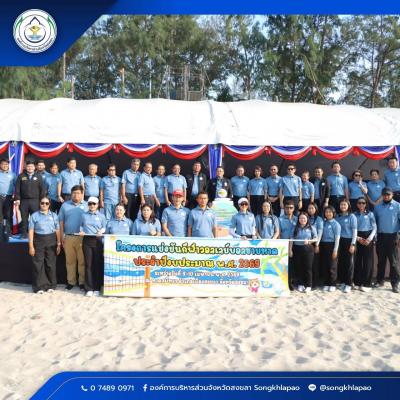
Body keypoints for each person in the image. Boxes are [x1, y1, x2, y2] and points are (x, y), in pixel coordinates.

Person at [28, 196, 61, 294]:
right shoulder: (34, 216)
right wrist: (31, 246)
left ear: (49, 204)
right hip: (38, 241)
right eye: (42, 203)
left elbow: (58, 230)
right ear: (39, 204)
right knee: (38, 264)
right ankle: (39, 287)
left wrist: (59, 243)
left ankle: (51, 285)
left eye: (46, 203)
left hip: (51, 240)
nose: (44, 205)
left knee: (50, 264)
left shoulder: (54, 215)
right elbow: (31, 231)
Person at [58, 185, 88, 290]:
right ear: (71, 194)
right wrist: (61, 237)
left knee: (82, 261)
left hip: (82, 237)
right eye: (74, 193)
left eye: (78, 193)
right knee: (70, 261)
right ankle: (71, 282)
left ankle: (82, 282)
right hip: (68, 237)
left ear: (82, 194)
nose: (76, 195)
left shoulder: (87, 205)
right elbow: (61, 222)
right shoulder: (65, 205)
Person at [373, 187, 400, 293]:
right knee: (381, 261)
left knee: (393, 262)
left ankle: (395, 283)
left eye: (388, 194)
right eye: (384, 194)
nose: (386, 196)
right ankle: (380, 281)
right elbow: (374, 223)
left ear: (392, 195)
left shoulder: (398, 206)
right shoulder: (377, 207)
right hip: (381, 236)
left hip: (393, 237)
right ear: (382, 195)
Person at [79, 197, 106, 297]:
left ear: (97, 205)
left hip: (98, 241)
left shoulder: (102, 216)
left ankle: (97, 288)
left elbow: (104, 227)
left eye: (94, 204)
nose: (92, 205)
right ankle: (89, 288)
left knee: (97, 264)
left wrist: (101, 231)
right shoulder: (84, 215)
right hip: (87, 240)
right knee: (88, 265)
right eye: (90, 204)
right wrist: (81, 231)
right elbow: (81, 226)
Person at [15, 160, 46, 239]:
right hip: (24, 201)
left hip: (35, 201)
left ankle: (35, 234)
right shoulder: (21, 176)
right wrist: (17, 198)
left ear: (34, 167)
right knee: (24, 218)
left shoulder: (38, 176)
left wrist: (42, 200)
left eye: (31, 166)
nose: (30, 168)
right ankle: (24, 233)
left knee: (35, 218)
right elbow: (17, 188)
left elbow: (42, 189)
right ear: (26, 167)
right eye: (28, 166)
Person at [289, 212, 317, 293]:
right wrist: (290, 250)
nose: (302, 220)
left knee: (308, 268)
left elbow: (316, 238)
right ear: (298, 219)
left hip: (308, 249)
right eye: (301, 218)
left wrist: (309, 241)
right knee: (299, 267)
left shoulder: (311, 228)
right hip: (297, 249)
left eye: (304, 218)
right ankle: (300, 284)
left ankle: (309, 285)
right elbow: (291, 239)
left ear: (307, 219)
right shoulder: (295, 228)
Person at [354, 197, 377, 292]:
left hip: (368, 236)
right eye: (359, 203)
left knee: (368, 261)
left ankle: (367, 283)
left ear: (366, 204)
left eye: (363, 203)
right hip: (358, 237)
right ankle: (357, 282)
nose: (361, 204)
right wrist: (358, 238)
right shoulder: (354, 215)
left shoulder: (370, 214)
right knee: (358, 260)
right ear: (357, 204)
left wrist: (369, 239)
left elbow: (374, 228)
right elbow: (352, 229)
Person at [336, 199, 357, 293]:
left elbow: (355, 231)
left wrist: (353, 244)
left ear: (348, 206)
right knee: (342, 262)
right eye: (341, 204)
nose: (343, 206)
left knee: (349, 263)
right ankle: (344, 282)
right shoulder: (338, 216)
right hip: (341, 241)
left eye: (344, 204)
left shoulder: (352, 216)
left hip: (349, 241)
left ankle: (349, 283)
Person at [320, 205, 341, 292]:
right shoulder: (323, 222)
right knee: (325, 265)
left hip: (332, 245)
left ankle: (333, 284)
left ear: (333, 213)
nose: (328, 214)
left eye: (330, 212)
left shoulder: (336, 224)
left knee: (332, 266)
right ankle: (326, 283)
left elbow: (337, 238)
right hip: (323, 245)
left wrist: (335, 250)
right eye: (326, 212)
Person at [279, 200, 298, 290]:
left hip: (296, 244)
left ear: (293, 208)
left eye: (291, 208)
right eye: (287, 208)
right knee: (285, 264)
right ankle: (287, 282)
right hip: (284, 244)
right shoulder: (280, 219)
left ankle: (293, 282)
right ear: (284, 208)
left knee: (295, 264)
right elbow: (279, 233)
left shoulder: (297, 219)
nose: (289, 209)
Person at [307, 203, 324, 288]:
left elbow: (320, 232)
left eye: (312, 208)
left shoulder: (319, 219)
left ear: (316, 209)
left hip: (316, 242)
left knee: (315, 263)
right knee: (309, 263)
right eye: (309, 208)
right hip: (307, 243)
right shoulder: (306, 217)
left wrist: (317, 244)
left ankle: (315, 282)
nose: (310, 210)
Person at [0, 158, 16, 242]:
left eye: (6, 164)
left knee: (9, 215)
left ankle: (9, 233)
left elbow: (17, 186)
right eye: (3, 164)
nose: (5, 165)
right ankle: (0, 233)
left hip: (9, 197)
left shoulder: (12, 174)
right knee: (0, 216)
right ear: (0, 165)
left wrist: (16, 196)